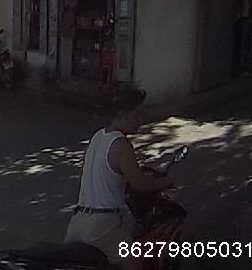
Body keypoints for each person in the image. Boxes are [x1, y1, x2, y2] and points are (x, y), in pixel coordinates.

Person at [64, 88, 173, 269]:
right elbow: (140, 184)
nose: (140, 120)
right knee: (137, 262)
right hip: (102, 226)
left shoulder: (98, 136)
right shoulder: (121, 144)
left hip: (78, 221)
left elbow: (106, 172)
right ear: (122, 114)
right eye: (137, 115)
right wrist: (166, 182)